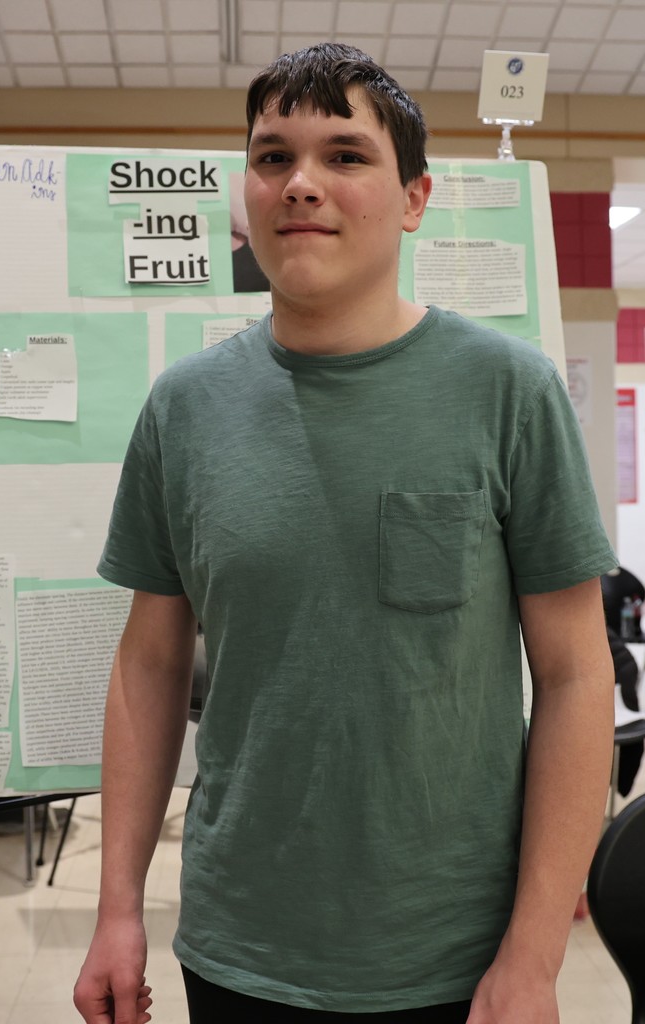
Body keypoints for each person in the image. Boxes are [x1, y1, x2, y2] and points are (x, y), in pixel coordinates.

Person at [74, 43, 617, 1024]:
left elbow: (579, 673)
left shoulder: (507, 392)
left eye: (345, 155)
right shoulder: (185, 408)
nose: (302, 184)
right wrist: (117, 908)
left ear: (413, 198)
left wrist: (534, 953)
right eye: (272, 157)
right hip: (238, 944)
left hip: (453, 954)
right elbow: (148, 664)